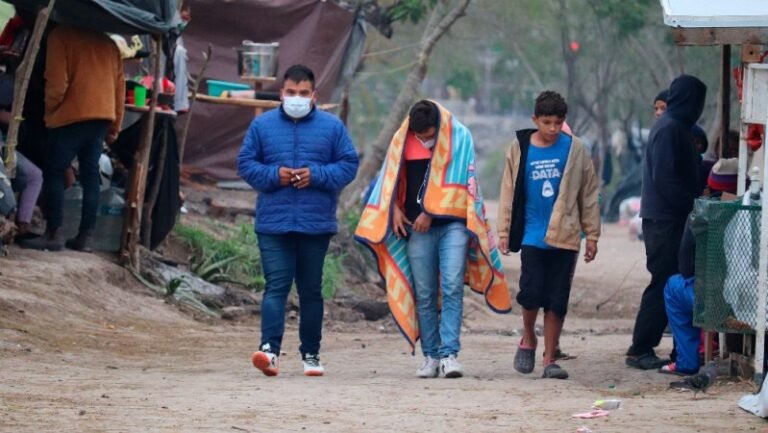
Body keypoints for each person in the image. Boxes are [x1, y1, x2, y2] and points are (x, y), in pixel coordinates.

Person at [355, 100, 511, 379]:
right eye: (419, 136)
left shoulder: (460, 137)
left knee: (451, 285)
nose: (423, 140)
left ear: (437, 127)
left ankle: (450, 354)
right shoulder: (402, 139)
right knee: (424, 293)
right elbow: (388, 182)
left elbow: (466, 185)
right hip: (417, 228)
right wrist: (395, 210)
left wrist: (430, 211)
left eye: (428, 135)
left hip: (453, 225)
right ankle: (431, 356)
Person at [238, 64, 359, 377]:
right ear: (281, 93)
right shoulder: (261, 126)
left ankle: (311, 354)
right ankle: (269, 351)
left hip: (315, 223)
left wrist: (316, 175)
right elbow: (246, 165)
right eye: (291, 92)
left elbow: (348, 165)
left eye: (303, 93)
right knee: (275, 286)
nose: (296, 98)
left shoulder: (332, 128)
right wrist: (273, 175)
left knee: (310, 291)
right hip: (273, 223)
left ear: (314, 95)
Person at [497, 91, 600, 379]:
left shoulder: (576, 149)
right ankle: (528, 336)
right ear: (535, 120)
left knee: (557, 300)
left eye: (558, 122)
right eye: (547, 122)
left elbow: (588, 194)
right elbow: (507, 192)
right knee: (530, 294)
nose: (553, 129)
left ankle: (550, 358)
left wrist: (592, 235)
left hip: (566, 235)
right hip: (531, 235)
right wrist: (503, 231)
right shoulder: (519, 149)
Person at [626, 74, 706, 370]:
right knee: (664, 281)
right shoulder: (670, 128)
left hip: (669, 217)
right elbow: (665, 177)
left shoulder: (677, 127)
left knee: (669, 280)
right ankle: (640, 347)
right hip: (665, 219)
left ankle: (664, 348)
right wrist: (691, 203)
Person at [20, 24, 125, 252]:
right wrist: (115, 125)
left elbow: (56, 83)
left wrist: (51, 113)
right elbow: (119, 89)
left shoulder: (60, 35)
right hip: (102, 117)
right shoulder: (109, 44)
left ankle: (54, 232)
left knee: (54, 170)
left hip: (71, 115)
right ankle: (85, 237)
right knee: (90, 177)